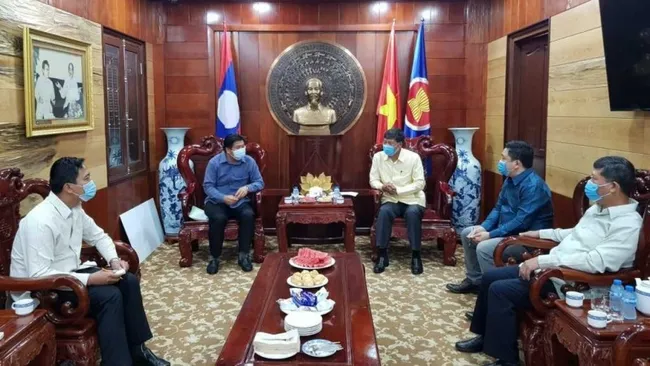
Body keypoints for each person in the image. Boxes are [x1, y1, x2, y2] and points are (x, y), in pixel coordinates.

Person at [455, 156, 642, 366]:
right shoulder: (598, 208)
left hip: (576, 283)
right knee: (490, 277)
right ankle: (485, 337)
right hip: (555, 268)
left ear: (613, 186)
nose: (589, 184)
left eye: (594, 179)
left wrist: (543, 262)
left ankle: (507, 360)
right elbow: (574, 234)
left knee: (501, 290)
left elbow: (597, 262)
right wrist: (539, 234)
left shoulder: (628, 224)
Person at [10, 157, 169, 366]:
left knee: (128, 282)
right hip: (43, 290)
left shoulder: (74, 207)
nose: (91, 184)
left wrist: (113, 261)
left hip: (70, 276)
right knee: (109, 296)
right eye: (86, 179)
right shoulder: (40, 221)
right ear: (69, 187)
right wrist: (91, 279)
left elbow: (99, 236)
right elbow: (39, 275)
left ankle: (138, 351)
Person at [446, 141, 554, 298]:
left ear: (516, 163)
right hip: (506, 230)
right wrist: (483, 227)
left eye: (504, 158)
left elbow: (521, 222)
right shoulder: (510, 179)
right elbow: (498, 208)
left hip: (525, 239)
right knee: (468, 233)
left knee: (484, 247)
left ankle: (490, 295)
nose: (500, 162)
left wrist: (490, 235)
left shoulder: (534, 186)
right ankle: (475, 281)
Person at [203, 133, 264, 274]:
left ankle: (244, 256)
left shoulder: (249, 162)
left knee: (248, 215)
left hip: (239, 201)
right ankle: (214, 258)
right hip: (217, 201)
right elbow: (208, 187)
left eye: (243, 146)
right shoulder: (214, 163)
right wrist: (223, 197)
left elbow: (259, 182)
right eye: (238, 147)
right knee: (218, 218)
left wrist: (248, 188)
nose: (242, 149)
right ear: (228, 150)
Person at [369, 128, 426, 275]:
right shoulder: (378, 157)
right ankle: (382, 255)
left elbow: (420, 183)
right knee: (384, 212)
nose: (385, 145)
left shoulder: (413, 158)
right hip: (391, 199)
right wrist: (382, 186)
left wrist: (399, 190)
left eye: (390, 143)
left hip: (412, 198)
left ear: (399, 145)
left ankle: (415, 256)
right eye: (384, 142)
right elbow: (373, 180)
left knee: (413, 214)